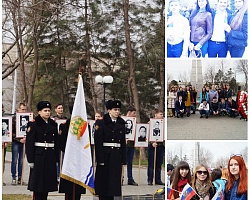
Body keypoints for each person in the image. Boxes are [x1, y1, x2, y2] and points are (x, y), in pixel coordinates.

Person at [26, 101, 59, 200]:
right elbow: (30, 143)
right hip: (39, 156)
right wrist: (30, 160)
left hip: (50, 156)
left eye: (49, 111)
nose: (48, 113)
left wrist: (56, 159)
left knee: (47, 185)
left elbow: (56, 143)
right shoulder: (34, 124)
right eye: (45, 111)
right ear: (39, 112)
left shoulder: (53, 124)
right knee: (38, 185)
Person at [94, 100, 126, 200]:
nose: (117, 112)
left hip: (116, 155)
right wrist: (100, 159)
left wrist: (123, 159)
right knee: (104, 183)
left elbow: (122, 142)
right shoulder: (101, 122)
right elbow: (98, 142)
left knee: (113, 183)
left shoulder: (121, 123)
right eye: (115, 110)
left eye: (118, 110)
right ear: (109, 110)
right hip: (105, 155)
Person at [58, 106, 86, 200]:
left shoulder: (85, 126)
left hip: (80, 159)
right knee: (69, 188)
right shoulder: (64, 125)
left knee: (78, 186)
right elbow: (61, 144)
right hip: (69, 159)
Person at [11, 103, 27, 185]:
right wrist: (18, 139)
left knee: (21, 161)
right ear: (18, 109)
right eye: (22, 109)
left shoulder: (27, 118)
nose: (23, 111)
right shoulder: (14, 119)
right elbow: (11, 132)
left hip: (24, 143)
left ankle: (20, 177)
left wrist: (26, 138)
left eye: (25, 109)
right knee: (14, 160)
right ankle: (14, 177)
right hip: (16, 143)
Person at [147, 109, 164, 186]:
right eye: (160, 114)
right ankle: (150, 179)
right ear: (156, 115)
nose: (162, 116)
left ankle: (158, 179)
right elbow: (147, 134)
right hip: (152, 146)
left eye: (162, 114)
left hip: (160, 146)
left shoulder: (163, 124)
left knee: (159, 164)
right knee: (151, 163)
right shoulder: (150, 123)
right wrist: (151, 142)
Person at [53, 103, 68, 183]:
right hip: (56, 141)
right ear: (55, 110)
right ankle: (56, 175)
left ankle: (62, 175)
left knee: (63, 160)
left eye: (61, 108)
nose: (60, 109)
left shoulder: (65, 119)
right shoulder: (53, 119)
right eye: (59, 108)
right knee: (57, 160)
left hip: (63, 141)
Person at [125, 106, 138, 186]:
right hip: (124, 145)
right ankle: (120, 178)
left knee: (130, 162)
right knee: (121, 163)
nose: (135, 115)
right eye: (133, 113)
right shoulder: (122, 120)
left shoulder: (134, 122)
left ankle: (130, 179)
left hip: (131, 145)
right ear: (129, 112)